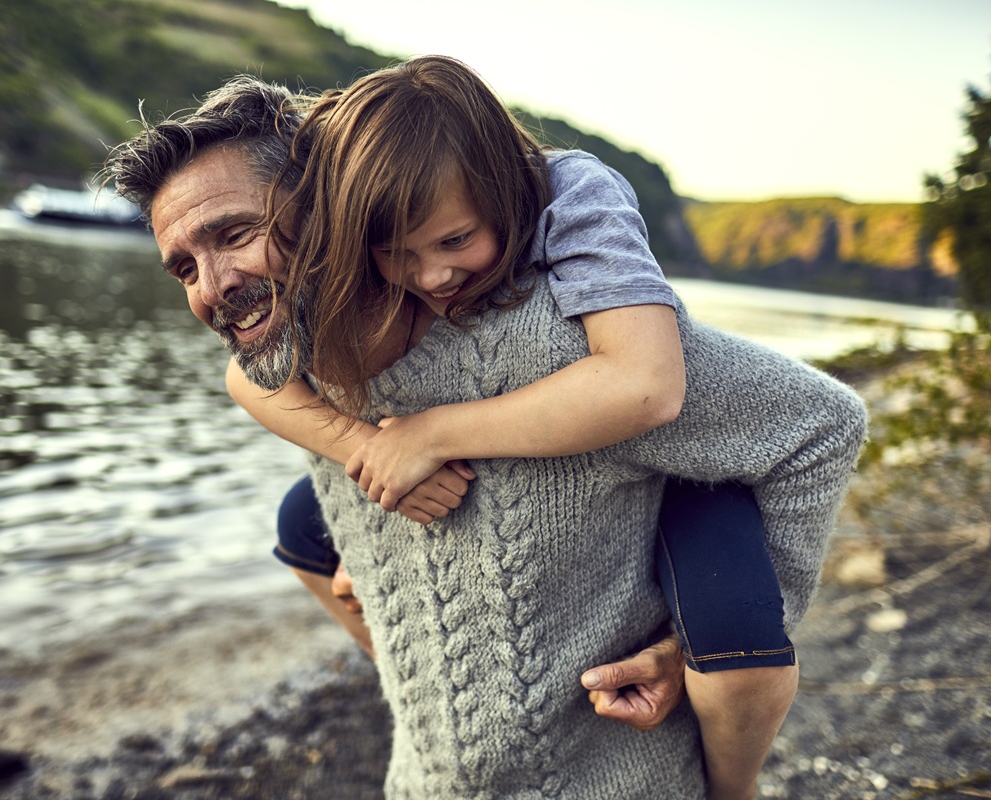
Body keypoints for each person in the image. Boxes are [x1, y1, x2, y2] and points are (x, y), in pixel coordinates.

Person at [103, 65, 867, 798]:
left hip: (626, 722)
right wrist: (368, 476)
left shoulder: (565, 324)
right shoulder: (293, 355)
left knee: (728, 625)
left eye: (234, 233)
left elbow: (779, 417)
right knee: (300, 522)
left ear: (330, 203)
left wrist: (697, 646)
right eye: (182, 270)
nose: (212, 289)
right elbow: (243, 381)